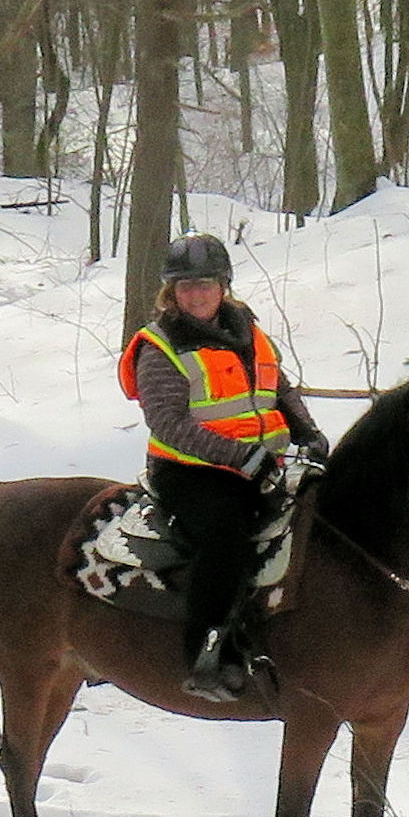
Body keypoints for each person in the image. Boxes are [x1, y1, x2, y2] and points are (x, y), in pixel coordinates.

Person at [117, 234, 329, 703]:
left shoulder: (248, 330)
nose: (196, 294)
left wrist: (307, 433)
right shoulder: (160, 346)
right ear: (171, 292)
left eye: (205, 284)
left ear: (223, 286)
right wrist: (239, 458)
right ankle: (206, 652)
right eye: (185, 285)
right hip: (190, 471)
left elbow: (280, 389)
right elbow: (168, 423)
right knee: (227, 532)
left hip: (261, 464)